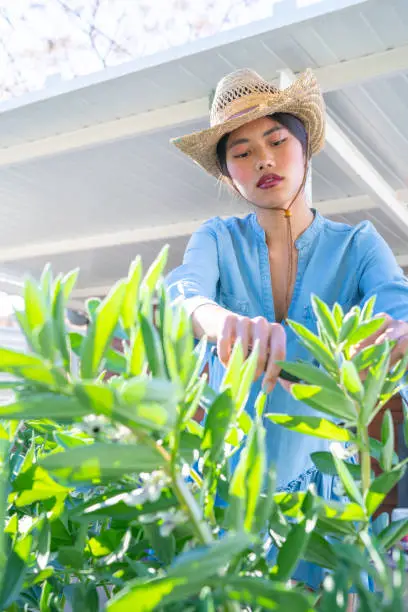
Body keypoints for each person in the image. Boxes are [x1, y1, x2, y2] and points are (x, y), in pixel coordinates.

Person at [165, 68, 408, 588]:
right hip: (226, 480)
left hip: (325, 484)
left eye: (276, 140)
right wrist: (219, 321)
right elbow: (183, 291)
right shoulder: (217, 237)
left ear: (305, 148)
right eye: (242, 152)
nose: (263, 160)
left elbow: (397, 307)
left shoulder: (358, 245)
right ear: (230, 173)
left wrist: (395, 335)